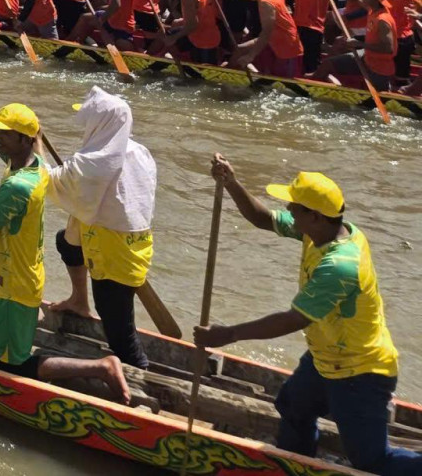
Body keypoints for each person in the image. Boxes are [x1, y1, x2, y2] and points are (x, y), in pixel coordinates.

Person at [200, 160, 418, 475]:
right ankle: (295, 465)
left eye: (295, 206)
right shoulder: (320, 231)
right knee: (292, 406)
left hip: (359, 371)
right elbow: (263, 218)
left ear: (314, 216)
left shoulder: (340, 265)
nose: (288, 208)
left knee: (372, 461)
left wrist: (227, 334)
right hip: (325, 357)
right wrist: (232, 183)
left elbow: (293, 319)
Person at [0, 98, 132, 404]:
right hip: (6, 269)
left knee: (18, 363)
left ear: (23, 139)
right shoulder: (33, 162)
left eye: (5, 134)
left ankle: (100, 368)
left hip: (15, 282)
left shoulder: (19, 186)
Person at [43, 87, 158, 370]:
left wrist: (35, 149)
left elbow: (51, 182)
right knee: (66, 243)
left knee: (121, 337)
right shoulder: (139, 151)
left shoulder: (95, 161)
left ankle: (139, 379)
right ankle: (80, 300)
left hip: (112, 252)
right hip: (133, 241)